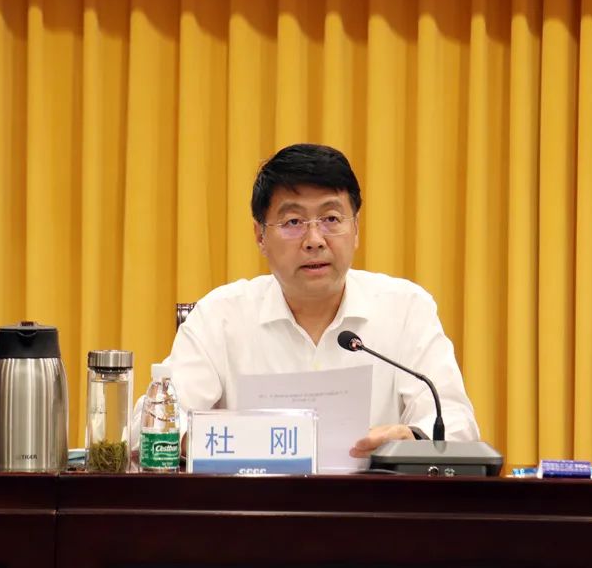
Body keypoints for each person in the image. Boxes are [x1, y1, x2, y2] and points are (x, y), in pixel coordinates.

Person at [159, 143, 478, 459]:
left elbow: (455, 422)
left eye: (331, 218)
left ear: (355, 228)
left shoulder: (406, 309)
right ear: (260, 236)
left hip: (373, 492)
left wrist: (413, 438)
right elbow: (154, 424)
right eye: (293, 222)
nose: (314, 240)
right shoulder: (219, 317)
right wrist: (223, 440)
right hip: (255, 492)